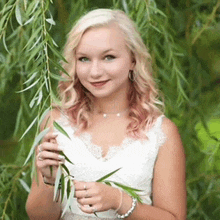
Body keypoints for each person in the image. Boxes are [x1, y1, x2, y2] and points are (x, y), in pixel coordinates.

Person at [26, 9, 186, 220]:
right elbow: (38, 217)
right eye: (84, 59)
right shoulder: (56, 123)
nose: (94, 72)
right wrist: (50, 180)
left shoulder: (161, 132)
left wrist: (120, 201)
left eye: (108, 57)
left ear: (133, 60)